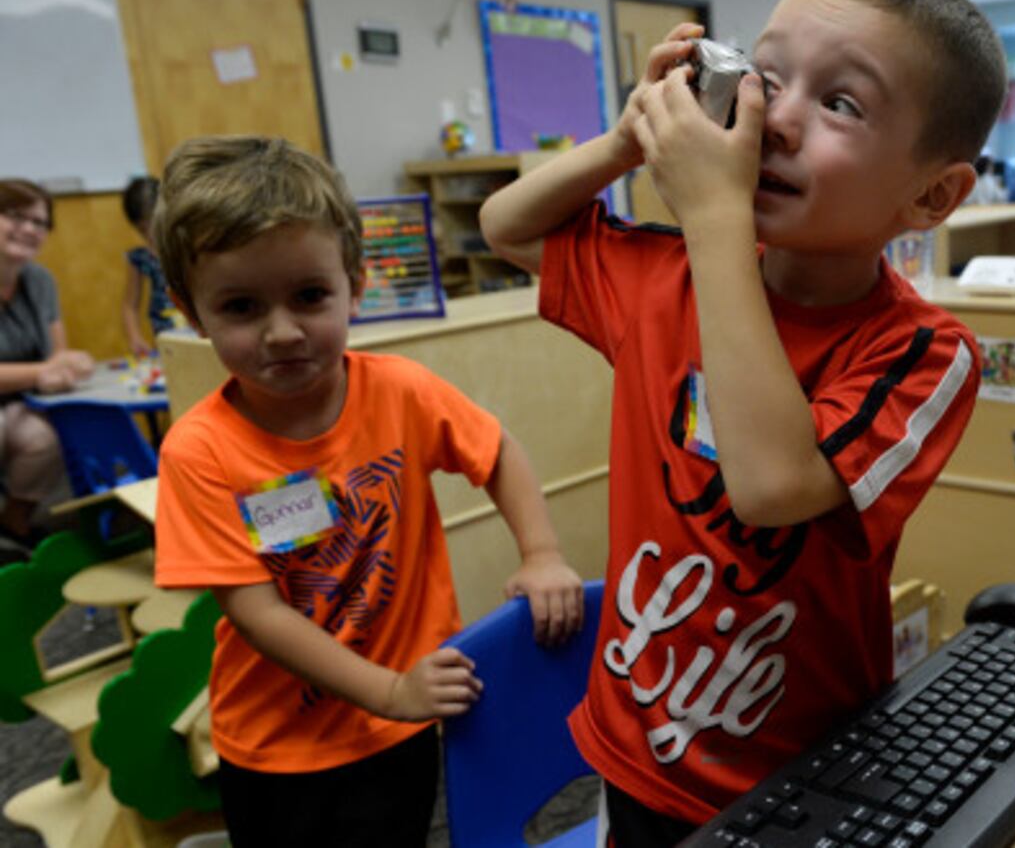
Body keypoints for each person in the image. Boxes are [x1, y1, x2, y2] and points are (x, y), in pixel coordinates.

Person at [479, 0, 1000, 840]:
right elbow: (506, 227)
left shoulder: (922, 352)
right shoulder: (664, 277)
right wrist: (624, 144)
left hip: (808, 771)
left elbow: (772, 484)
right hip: (635, 747)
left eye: (841, 102)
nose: (776, 120)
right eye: (766, 77)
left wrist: (714, 214)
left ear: (931, 195)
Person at [148, 136, 584, 847]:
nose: (283, 332)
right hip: (275, 747)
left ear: (355, 280)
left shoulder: (401, 391)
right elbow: (257, 614)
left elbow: (497, 449)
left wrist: (540, 552)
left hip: (394, 727)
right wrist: (389, 690)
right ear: (191, 312)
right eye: (241, 307)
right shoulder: (201, 451)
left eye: (310, 296)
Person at [0, 178, 93, 557]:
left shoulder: (40, 280)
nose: (29, 228)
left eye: (39, 222)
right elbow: (47, 367)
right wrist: (42, 372)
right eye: (14, 215)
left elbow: (59, 353)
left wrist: (69, 366)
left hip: (22, 402)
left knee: (52, 433)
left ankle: (14, 523)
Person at [120, 175, 177, 356]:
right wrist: (135, 337)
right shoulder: (140, 258)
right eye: (142, 230)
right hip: (165, 331)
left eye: (153, 225)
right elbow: (130, 305)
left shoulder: (187, 248)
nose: (150, 235)